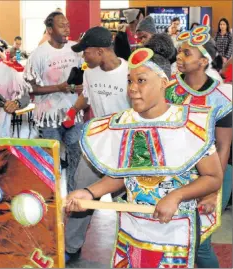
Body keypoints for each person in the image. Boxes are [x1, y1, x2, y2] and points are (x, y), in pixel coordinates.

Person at [66, 42, 223, 268]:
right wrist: (89, 193)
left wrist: (176, 196)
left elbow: (213, 178)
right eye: (129, 80)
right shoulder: (123, 124)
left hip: (175, 229)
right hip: (134, 228)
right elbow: (122, 174)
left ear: (163, 83)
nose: (132, 88)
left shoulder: (190, 124)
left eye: (141, 81)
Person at [62, 26, 131, 263]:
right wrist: (72, 110)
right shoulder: (90, 73)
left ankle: (130, 247)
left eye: (86, 52)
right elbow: (87, 97)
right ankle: (72, 246)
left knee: (128, 201)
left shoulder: (131, 72)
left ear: (100, 51)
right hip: (96, 143)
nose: (83, 57)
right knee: (82, 196)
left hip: (127, 148)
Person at [168, 27, 232, 268]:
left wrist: (212, 189)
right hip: (174, 173)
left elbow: (224, 147)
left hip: (214, 173)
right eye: (180, 52)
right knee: (173, 238)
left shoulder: (221, 98)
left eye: (187, 53)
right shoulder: (167, 90)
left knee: (200, 242)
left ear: (203, 61)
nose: (180, 57)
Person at [24, 11, 82, 182]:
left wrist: (80, 85)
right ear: (49, 29)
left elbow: (82, 75)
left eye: (67, 25)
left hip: (74, 112)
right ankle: (52, 197)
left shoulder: (75, 49)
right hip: (48, 117)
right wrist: (58, 87)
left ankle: (73, 196)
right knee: (52, 160)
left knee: (75, 158)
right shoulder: (38, 55)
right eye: (61, 25)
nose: (66, 29)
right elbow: (30, 88)